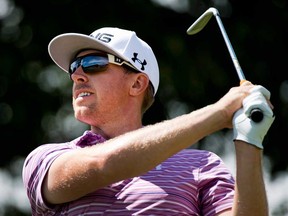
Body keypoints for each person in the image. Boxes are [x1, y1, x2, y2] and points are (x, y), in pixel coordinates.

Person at [22, 27, 275, 216]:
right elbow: (104, 164)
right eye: (75, 66)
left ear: (136, 83)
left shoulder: (202, 165)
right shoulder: (47, 158)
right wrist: (218, 113)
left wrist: (249, 141)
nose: (77, 75)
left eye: (93, 64)